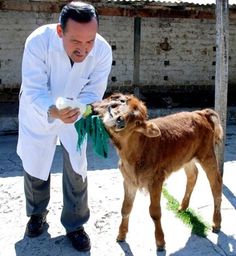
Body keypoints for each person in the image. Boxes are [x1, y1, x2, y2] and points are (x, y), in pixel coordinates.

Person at [17, 1, 112, 252]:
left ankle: (75, 225)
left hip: (75, 113)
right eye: (76, 42)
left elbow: (94, 91)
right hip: (39, 112)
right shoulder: (38, 41)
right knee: (36, 164)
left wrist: (80, 108)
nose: (84, 49)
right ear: (60, 32)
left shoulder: (101, 50)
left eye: (89, 41)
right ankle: (37, 215)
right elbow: (34, 89)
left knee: (77, 168)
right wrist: (53, 110)